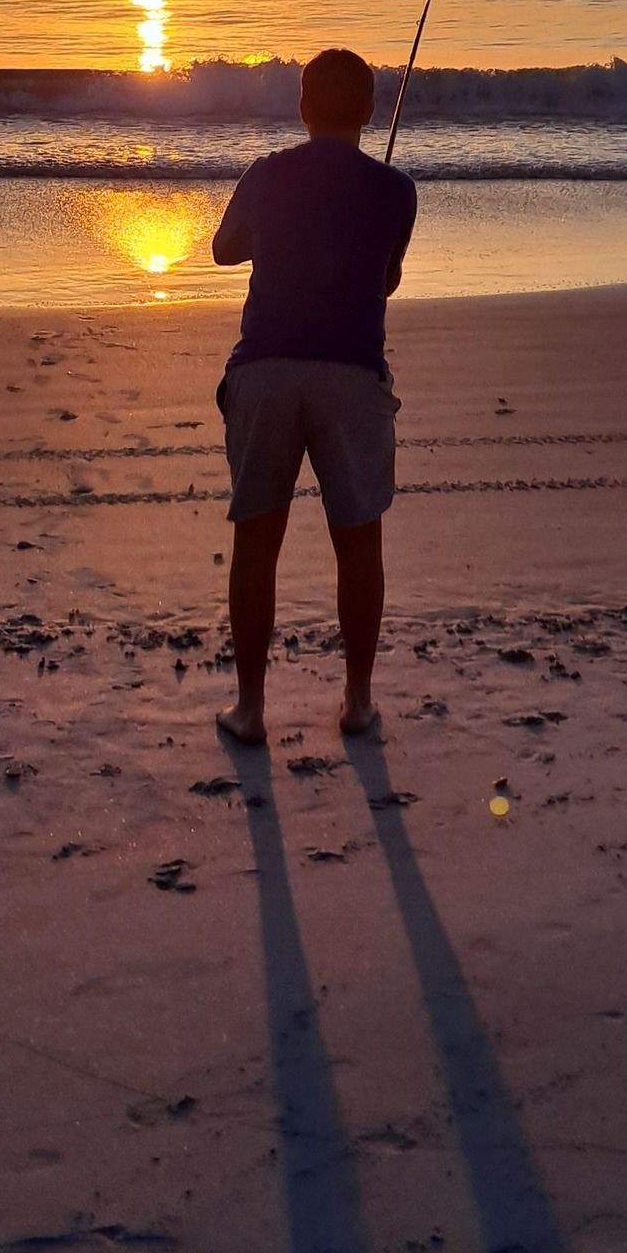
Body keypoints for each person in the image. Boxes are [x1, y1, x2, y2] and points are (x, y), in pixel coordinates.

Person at [210, 47, 418, 745]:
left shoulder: (268, 175)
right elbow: (386, 281)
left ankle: (250, 708)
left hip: (267, 368)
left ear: (301, 108)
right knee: (358, 545)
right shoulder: (396, 191)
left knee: (256, 544)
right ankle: (357, 701)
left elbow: (223, 250)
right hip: (352, 375)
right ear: (366, 112)